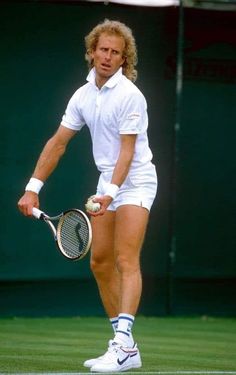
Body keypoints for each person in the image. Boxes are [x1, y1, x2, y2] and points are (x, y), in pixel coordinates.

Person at [17, 19, 157, 373]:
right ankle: (126, 347)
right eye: (103, 50)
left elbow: (127, 152)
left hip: (136, 181)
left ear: (124, 59)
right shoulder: (82, 96)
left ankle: (123, 343)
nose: (108, 57)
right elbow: (58, 143)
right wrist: (33, 188)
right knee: (100, 262)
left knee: (126, 259)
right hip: (107, 182)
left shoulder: (130, 96)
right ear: (92, 52)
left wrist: (110, 192)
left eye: (115, 53)